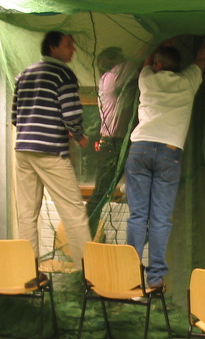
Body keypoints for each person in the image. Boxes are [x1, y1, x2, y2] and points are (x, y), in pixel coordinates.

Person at [125, 35, 205, 289]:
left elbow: (146, 60)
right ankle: (154, 278)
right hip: (169, 152)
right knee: (161, 218)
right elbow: (203, 57)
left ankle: (131, 273)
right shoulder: (188, 81)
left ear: (158, 65)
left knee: (138, 215)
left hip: (140, 149)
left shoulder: (147, 79)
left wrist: (159, 44)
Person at [12, 31, 92, 271]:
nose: (73, 50)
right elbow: (71, 114)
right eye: (69, 45)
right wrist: (79, 136)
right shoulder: (63, 74)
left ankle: (29, 272)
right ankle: (90, 275)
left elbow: (15, 116)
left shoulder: (23, 75)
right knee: (74, 212)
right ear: (53, 47)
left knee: (27, 213)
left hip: (23, 150)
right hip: (50, 151)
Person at [87, 47, 138, 235]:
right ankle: (86, 239)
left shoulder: (112, 80)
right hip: (112, 145)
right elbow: (136, 61)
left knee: (132, 193)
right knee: (101, 193)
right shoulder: (112, 78)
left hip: (122, 142)